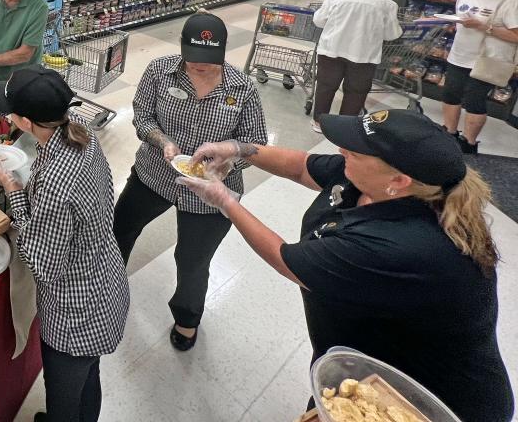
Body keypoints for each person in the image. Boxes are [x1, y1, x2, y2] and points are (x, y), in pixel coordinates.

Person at [183, 109, 514, 422]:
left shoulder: (404, 247)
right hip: (364, 357)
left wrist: (225, 200)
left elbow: (285, 260)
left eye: (355, 152)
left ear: (399, 180)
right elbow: (301, 166)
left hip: (421, 398)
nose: (343, 150)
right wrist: (239, 149)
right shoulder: (374, 178)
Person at [0, 66, 129, 422]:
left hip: (77, 312)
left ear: (25, 122)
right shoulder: (75, 124)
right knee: (90, 376)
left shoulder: (59, 186)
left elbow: (44, 265)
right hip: (105, 276)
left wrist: (13, 190)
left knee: (63, 396)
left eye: (10, 112)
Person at [112, 12, 267, 352]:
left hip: (211, 191)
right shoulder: (159, 70)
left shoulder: (242, 89)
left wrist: (230, 161)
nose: (199, 67)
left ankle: (187, 318)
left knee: (193, 260)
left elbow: (257, 142)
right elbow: (143, 115)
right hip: (154, 173)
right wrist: (162, 141)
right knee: (121, 228)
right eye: (193, 60)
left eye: (209, 63)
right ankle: (107, 283)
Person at [311, 0, 402, 133]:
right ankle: (346, 126)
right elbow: (392, 34)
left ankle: (319, 122)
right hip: (364, 56)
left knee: (326, 86)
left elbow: (319, 21)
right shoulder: (387, 5)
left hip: (331, 50)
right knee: (356, 91)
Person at [441, 0, 518, 153]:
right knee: (451, 94)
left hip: (486, 61)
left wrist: (485, 27)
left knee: (473, 101)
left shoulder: (510, 2)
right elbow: (463, 17)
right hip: (459, 54)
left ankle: (469, 143)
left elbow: (516, 35)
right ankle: (449, 134)